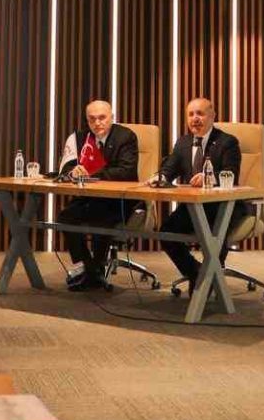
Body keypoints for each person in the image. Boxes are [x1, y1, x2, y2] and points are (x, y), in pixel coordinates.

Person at [157, 98, 245, 296]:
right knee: (166, 233)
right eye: (191, 114)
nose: (195, 119)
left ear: (212, 116)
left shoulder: (227, 142)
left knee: (214, 235)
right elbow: (168, 170)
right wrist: (158, 178)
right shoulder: (183, 142)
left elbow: (231, 174)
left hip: (224, 206)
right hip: (194, 208)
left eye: (200, 114)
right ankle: (196, 273)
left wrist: (210, 177)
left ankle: (207, 281)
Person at [54, 101, 139, 291]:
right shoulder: (80, 138)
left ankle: (94, 271)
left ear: (112, 117)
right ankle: (90, 269)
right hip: (89, 197)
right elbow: (66, 168)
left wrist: (90, 173)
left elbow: (126, 171)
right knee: (65, 218)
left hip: (119, 200)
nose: (97, 123)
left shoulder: (126, 136)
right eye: (92, 119)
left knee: (100, 219)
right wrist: (73, 171)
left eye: (102, 118)